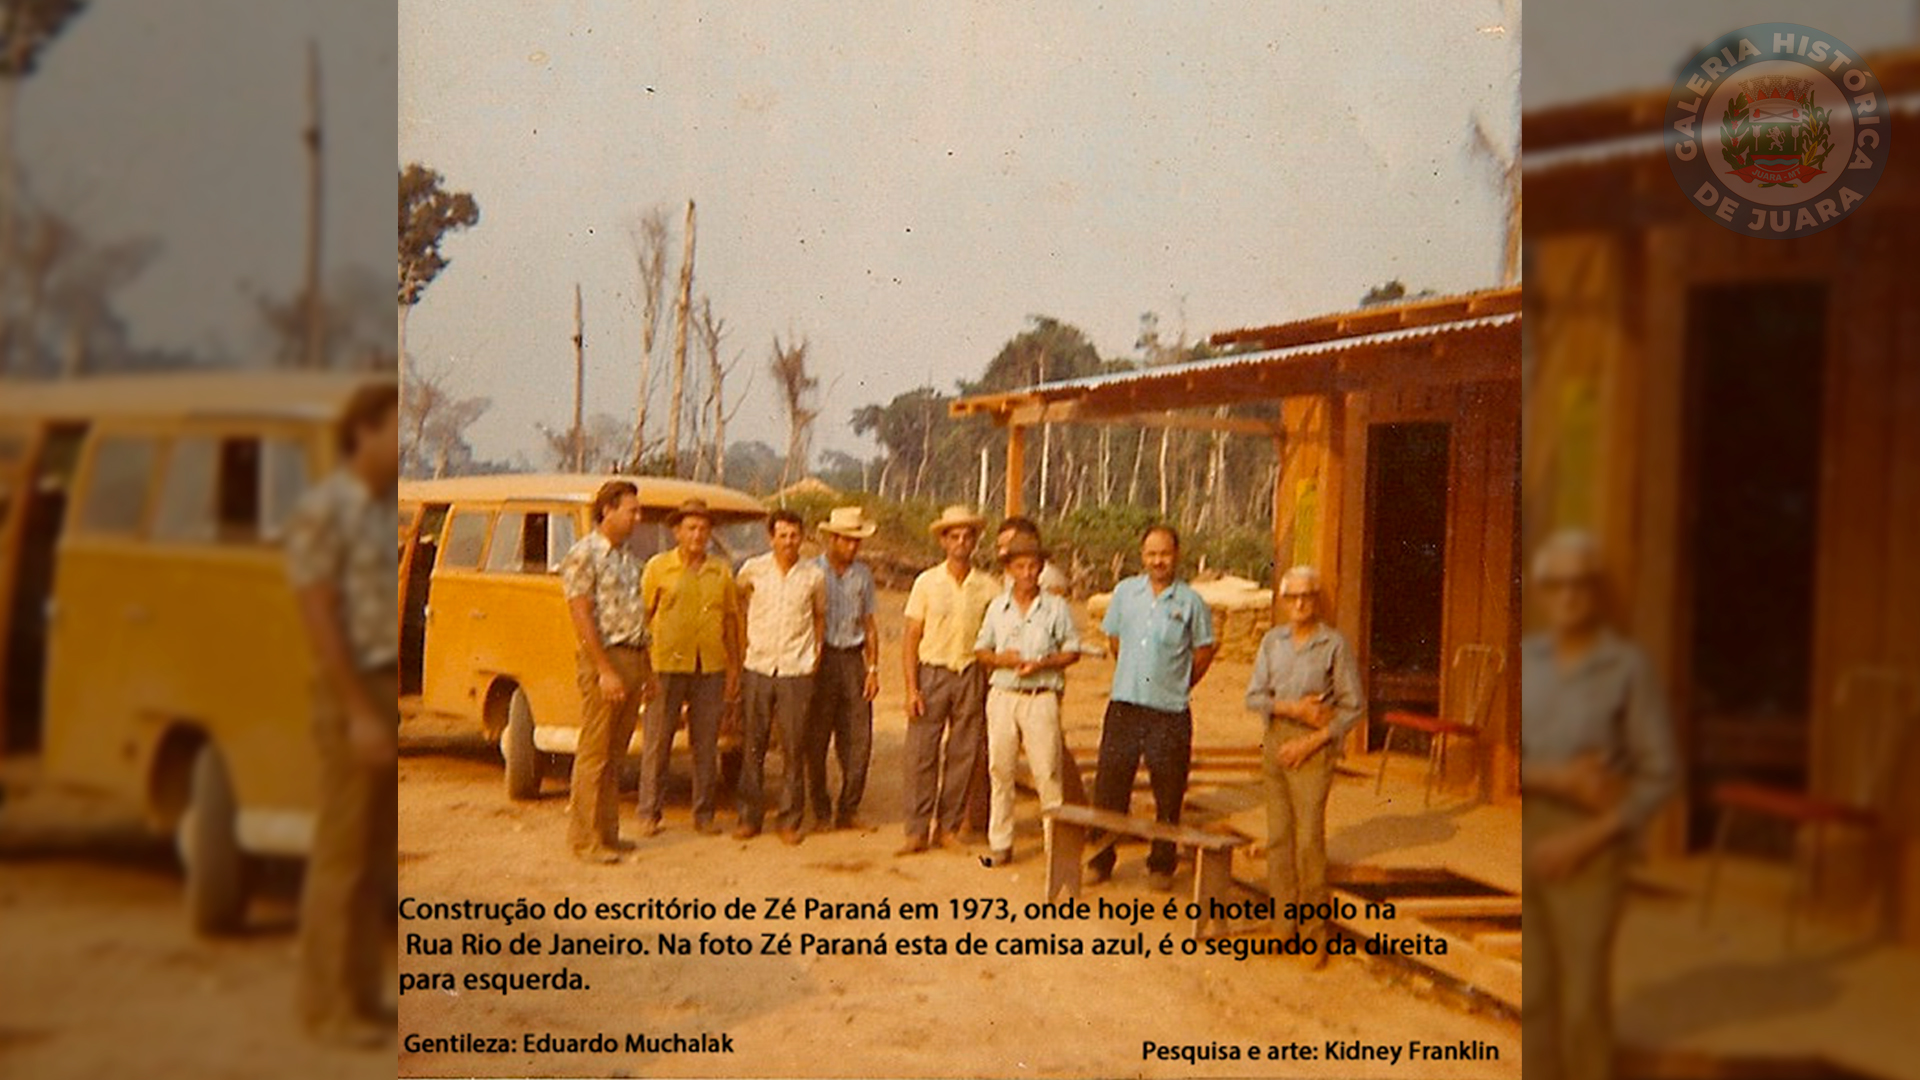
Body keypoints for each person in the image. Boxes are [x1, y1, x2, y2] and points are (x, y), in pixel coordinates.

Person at [1521, 531, 1675, 1080]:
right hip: (1532, 831)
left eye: (1581, 584)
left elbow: (1660, 777)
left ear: (1597, 592)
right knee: (1534, 998)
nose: (1569, 596)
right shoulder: (1529, 662)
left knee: (1583, 1002)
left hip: (1594, 843)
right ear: (1541, 592)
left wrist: (1584, 838)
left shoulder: (1626, 668)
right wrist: (1560, 778)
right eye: (1556, 585)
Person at [286, 383, 400, 1046]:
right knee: (340, 854)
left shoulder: (380, 512)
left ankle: (358, 995)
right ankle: (323, 1006)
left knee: (371, 853)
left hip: (381, 684)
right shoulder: (325, 509)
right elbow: (319, 614)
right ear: (361, 432)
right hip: (348, 691)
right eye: (391, 429)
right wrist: (358, 711)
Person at [1243, 565, 1363, 966]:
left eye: (1307, 597)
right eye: (1292, 597)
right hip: (1277, 738)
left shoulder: (1333, 645)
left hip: (1313, 748)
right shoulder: (1272, 642)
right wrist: (1292, 708)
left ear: (1317, 600)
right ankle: (1282, 928)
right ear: (1282, 601)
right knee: (1278, 837)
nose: (1299, 604)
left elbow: (1353, 707)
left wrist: (1313, 740)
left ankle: (1314, 936)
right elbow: (1255, 697)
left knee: (1309, 841)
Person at [1087, 524, 1217, 890]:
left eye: (1165, 554)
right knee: (1110, 784)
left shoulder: (1191, 602)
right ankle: (1101, 859)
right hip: (1125, 705)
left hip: (1169, 711)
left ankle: (1162, 864)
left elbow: (1205, 650)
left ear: (1177, 555)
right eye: (1151, 554)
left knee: (1169, 789)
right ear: (1141, 556)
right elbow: (1115, 639)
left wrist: (1178, 682)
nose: (1158, 560)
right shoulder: (1126, 593)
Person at [557, 479, 656, 863]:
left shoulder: (630, 561)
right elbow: (580, 613)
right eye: (632, 510)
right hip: (606, 660)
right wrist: (604, 669)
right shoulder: (584, 555)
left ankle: (608, 833)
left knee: (616, 753)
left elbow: (636, 619)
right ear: (608, 511)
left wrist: (647, 671)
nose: (638, 517)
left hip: (632, 658)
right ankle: (584, 840)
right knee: (595, 753)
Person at [638, 498, 743, 837]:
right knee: (658, 741)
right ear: (676, 531)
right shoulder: (658, 568)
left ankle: (704, 815)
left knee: (706, 743)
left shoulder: (721, 571)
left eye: (704, 529)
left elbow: (730, 622)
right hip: (666, 665)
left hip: (709, 668)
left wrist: (733, 669)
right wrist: (645, 668)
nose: (698, 535)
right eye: (691, 528)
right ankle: (649, 814)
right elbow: (643, 618)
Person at [973, 535, 1079, 867]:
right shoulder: (997, 607)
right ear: (1008, 569)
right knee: (1000, 770)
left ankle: (1054, 848)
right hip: (1004, 695)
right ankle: (1001, 843)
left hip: (1040, 697)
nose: (1028, 573)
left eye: (1034, 566)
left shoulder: (1056, 607)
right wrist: (1001, 659)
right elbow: (981, 650)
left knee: (1047, 773)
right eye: (1020, 566)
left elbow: (1072, 650)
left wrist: (1044, 663)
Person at [898, 504, 998, 855]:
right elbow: (911, 637)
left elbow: (997, 636)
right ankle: (916, 829)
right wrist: (912, 687)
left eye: (967, 536)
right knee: (922, 754)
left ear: (974, 541)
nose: (961, 542)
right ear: (943, 541)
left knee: (963, 754)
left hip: (970, 674)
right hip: (933, 673)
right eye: (953, 536)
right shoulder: (926, 582)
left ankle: (949, 828)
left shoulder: (988, 587)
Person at [733, 509, 825, 844]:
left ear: (802, 538)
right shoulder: (752, 570)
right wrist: (745, 647)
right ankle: (748, 817)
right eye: (782, 535)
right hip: (758, 666)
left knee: (792, 746)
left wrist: (814, 657)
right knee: (753, 745)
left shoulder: (813, 576)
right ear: (770, 537)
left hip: (795, 670)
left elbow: (819, 617)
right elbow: (738, 606)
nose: (788, 542)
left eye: (794, 535)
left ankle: (789, 820)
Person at [807, 505, 881, 831]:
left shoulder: (862, 575)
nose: (853, 548)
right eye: (847, 541)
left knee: (859, 738)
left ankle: (848, 809)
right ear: (833, 539)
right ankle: (821, 809)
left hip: (852, 659)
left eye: (857, 542)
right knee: (816, 738)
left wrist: (873, 668)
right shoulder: (811, 572)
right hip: (819, 661)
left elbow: (870, 624)